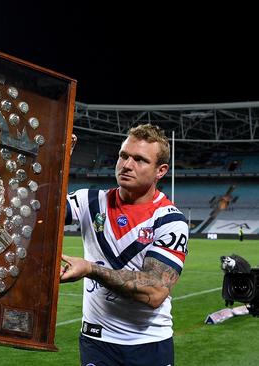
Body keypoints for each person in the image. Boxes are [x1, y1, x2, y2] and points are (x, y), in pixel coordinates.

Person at [61, 124, 189, 366]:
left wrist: (90, 269)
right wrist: (55, 163)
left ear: (161, 170)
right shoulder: (89, 201)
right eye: (123, 156)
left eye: (140, 160)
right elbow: (39, 210)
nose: (127, 165)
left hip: (148, 345)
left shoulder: (171, 221)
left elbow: (154, 292)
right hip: (96, 341)